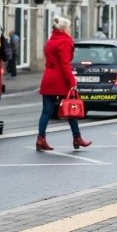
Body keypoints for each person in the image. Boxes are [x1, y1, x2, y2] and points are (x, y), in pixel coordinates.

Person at [36, 16, 91, 151]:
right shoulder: (65, 41)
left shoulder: (50, 41)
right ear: (65, 28)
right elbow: (65, 64)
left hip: (48, 78)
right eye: (69, 27)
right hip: (60, 80)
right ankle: (77, 138)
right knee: (71, 109)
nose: (69, 30)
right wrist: (72, 81)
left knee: (46, 111)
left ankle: (40, 139)